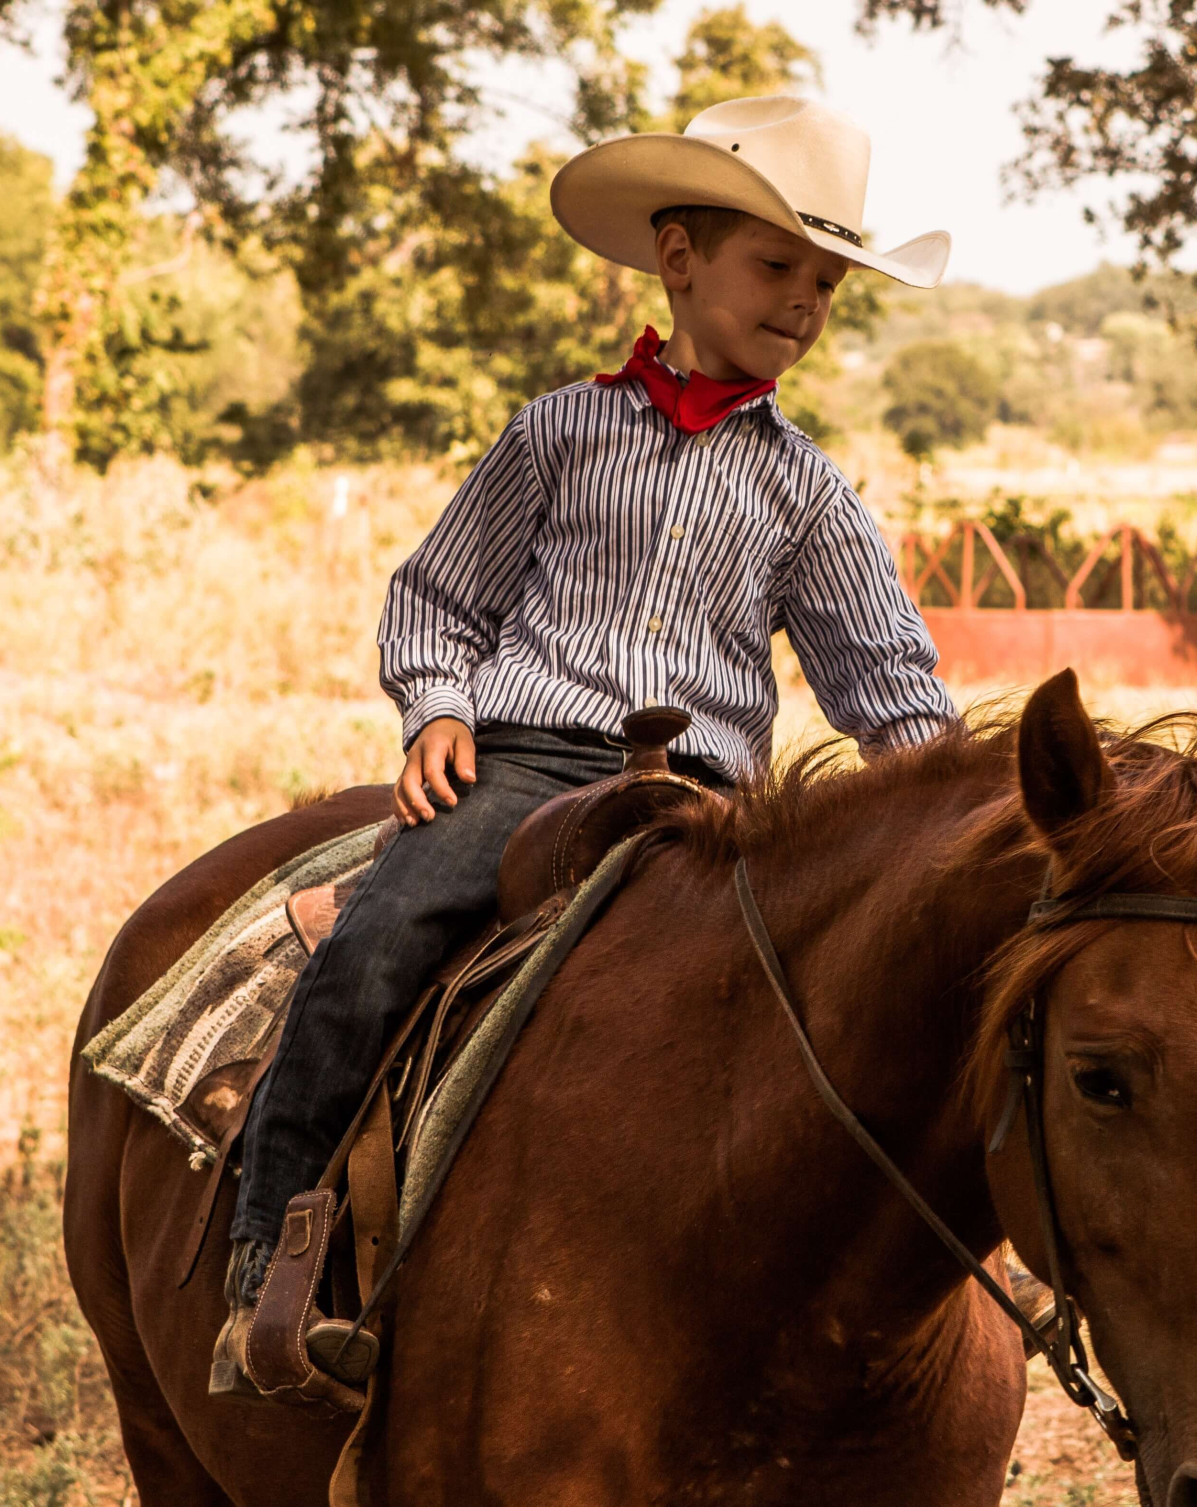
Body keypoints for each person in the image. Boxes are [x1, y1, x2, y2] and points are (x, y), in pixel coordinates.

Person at [210, 94, 958, 1398]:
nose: (802, 304)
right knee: (379, 944)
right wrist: (438, 705)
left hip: (711, 804)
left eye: (826, 286)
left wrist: (960, 808)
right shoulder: (557, 433)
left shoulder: (809, 492)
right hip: (528, 765)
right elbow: (442, 594)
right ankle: (271, 1263)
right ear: (679, 257)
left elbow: (886, 682)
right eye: (775, 267)